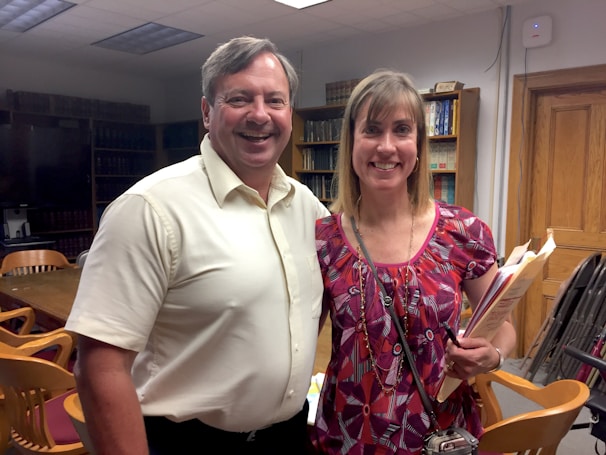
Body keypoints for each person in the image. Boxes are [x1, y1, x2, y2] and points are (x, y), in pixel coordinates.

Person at [65, 36, 329, 455]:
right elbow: (99, 367)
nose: (260, 115)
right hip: (187, 441)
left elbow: (309, 311)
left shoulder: (310, 210)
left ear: (289, 114)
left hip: (289, 435)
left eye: (274, 101)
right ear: (207, 112)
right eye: (240, 98)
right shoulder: (149, 209)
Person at [311, 69, 516, 454]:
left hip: (441, 436)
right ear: (351, 142)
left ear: (418, 144)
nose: (386, 146)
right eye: (372, 130)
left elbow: (504, 326)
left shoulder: (463, 231)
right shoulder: (324, 241)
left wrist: (494, 355)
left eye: (401, 130)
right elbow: (299, 340)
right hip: (351, 435)